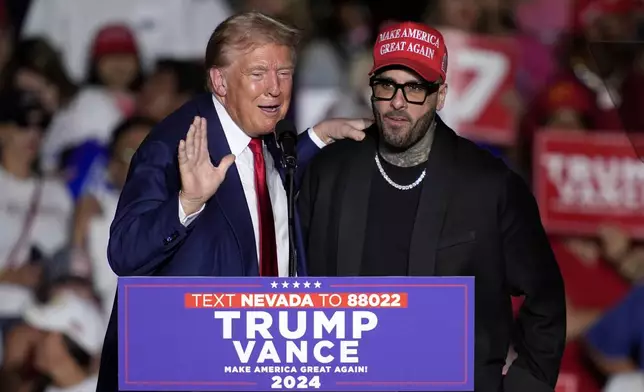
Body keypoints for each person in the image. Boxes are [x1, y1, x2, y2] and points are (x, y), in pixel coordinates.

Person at [96, 11, 369, 391]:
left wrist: (317, 138)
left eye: (284, 73)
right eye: (257, 74)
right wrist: (186, 203)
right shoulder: (173, 146)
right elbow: (124, 253)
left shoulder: (263, 132)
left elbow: (266, 177)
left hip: (262, 364)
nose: (274, 88)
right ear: (219, 81)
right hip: (186, 373)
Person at [298, 21, 566, 392]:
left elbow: (546, 301)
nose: (397, 101)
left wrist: (522, 387)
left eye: (415, 88)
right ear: (371, 88)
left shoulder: (490, 185)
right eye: (386, 85)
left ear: (440, 95)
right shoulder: (330, 171)